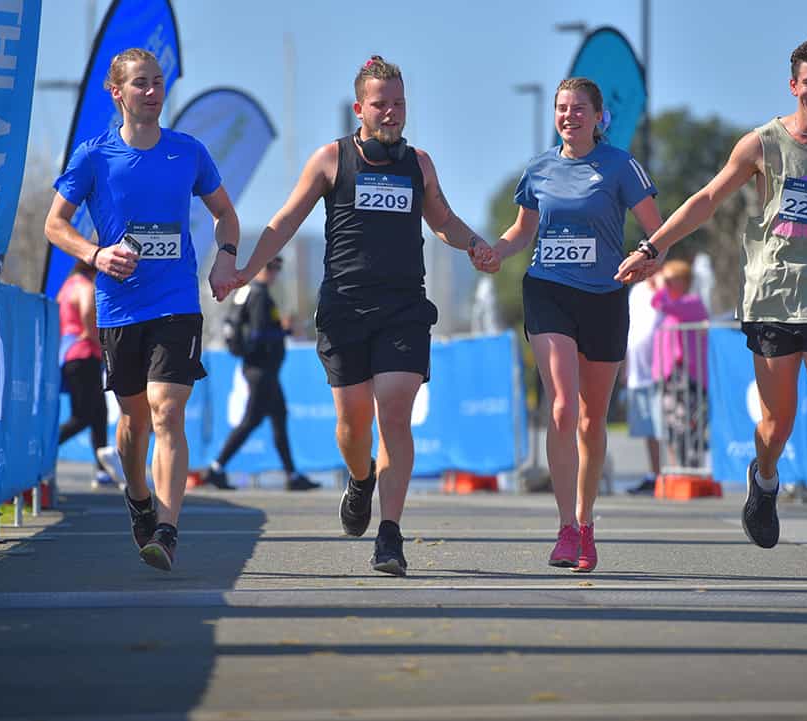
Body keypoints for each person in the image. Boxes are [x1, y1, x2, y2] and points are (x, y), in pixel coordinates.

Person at [617, 36, 807, 583]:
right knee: (778, 424)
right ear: (793, 85)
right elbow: (706, 200)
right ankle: (765, 476)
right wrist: (655, 246)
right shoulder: (762, 144)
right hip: (773, 296)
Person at [232, 56, 493, 576]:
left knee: (393, 411)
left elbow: (441, 219)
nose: (392, 112)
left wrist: (476, 245)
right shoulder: (331, 160)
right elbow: (285, 221)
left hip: (403, 307)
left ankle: (390, 536)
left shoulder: (419, 163)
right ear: (360, 108)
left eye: (399, 103)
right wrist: (245, 270)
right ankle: (360, 479)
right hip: (345, 307)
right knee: (353, 424)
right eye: (381, 104)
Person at [44, 48, 242, 572]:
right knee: (133, 420)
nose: (153, 92)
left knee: (166, 409)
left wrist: (225, 258)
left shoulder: (188, 152)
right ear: (118, 93)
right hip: (119, 307)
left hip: (176, 301)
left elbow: (225, 214)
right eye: (141, 84)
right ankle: (137, 494)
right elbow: (54, 224)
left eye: (158, 82)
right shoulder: (94, 156)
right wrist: (96, 254)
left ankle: (167, 529)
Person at [481, 77, 663, 572]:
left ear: (598, 116)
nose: (568, 116)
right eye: (562, 108)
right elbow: (523, 231)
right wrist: (493, 251)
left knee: (591, 417)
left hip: (605, 297)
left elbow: (658, 228)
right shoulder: (538, 169)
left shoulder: (620, 165)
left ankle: (586, 522)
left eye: (579, 109)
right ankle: (564, 527)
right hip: (549, 291)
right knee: (562, 404)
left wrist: (646, 256)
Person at [202, 255, 320, 492]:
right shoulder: (259, 295)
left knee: (279, 417)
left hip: (263, 368)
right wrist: (284, 331)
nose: (274, 272)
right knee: (252, 420)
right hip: (260, 368)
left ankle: (292, 474)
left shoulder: (249, 293)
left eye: (278, 267)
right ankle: (216, 467)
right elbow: (258, 335)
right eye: (270, 266)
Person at [56, 258, 123, 490]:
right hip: (84, 353)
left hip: (70, 353)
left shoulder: (66, 287)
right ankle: (47, 447)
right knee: (82, 415)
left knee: (99, 413)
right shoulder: (85, 286)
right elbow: (87, 310)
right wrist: (94, 336)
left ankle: (103, 469)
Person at [651, 259, 710, 469]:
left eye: (671, 280)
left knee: (690, 425)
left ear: (684, 282)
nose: (666, 284)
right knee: (672, 425)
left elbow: (660, 303)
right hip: (670, 378)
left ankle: (692, 469)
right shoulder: (673, 311)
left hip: (690, 376)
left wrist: (660, 286)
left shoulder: (692, 303)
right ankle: (680, 468)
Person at [625, 269, 664, 495]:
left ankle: (673, 473)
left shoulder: (665, 286)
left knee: (667, 424)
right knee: (649, 426)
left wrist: (660, 284)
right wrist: (625, 365)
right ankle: (656, 473)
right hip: (638, 368)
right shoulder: (637, 290)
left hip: (663, 368)